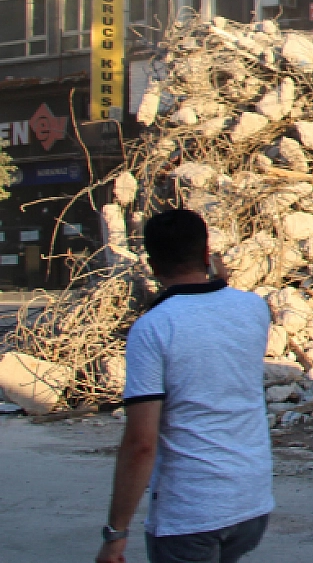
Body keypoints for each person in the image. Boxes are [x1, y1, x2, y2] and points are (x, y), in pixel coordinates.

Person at [97, 208, 274, 563]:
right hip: (251, 502)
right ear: (206, 255)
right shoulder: (254, 309)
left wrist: (116, 533)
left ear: (152, 265)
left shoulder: (153, 329)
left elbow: (141, 443)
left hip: (191, 514)